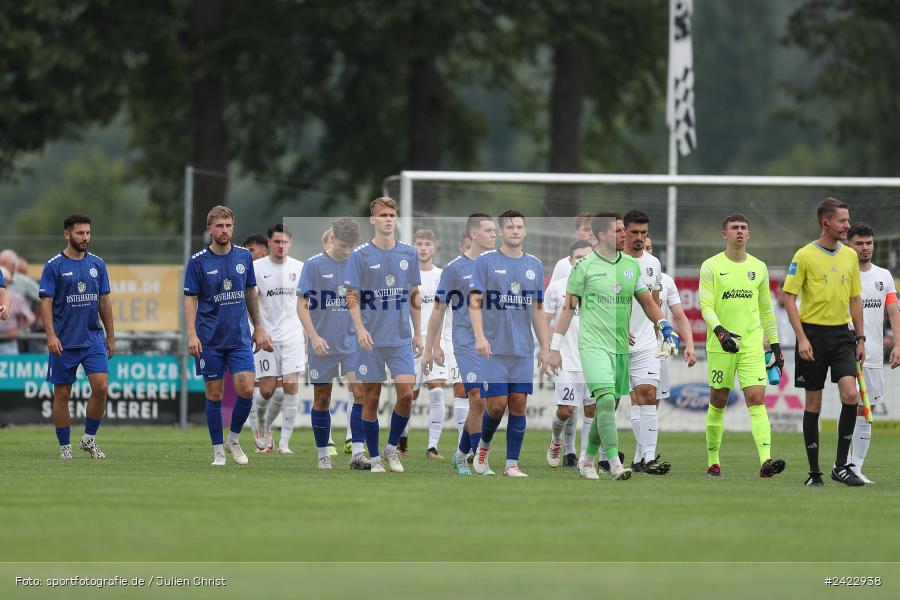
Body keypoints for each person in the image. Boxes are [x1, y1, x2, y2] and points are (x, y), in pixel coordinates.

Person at [549, 213, 678, 481]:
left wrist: (665, 325)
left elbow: (647, 302)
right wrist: (554, 347)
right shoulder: (583, 267)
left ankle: (586, 460)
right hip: (593, 346)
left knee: (607, 406)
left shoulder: (631, 266)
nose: (625, 235)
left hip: (620, 347)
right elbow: (568, 309)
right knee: (606, 400)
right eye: (619, 231)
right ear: (602, 236)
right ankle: (615, 463)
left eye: (624, 230)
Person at [782, 197, 865, 487]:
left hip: (842, 335)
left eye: (848, 219)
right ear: (825, 222)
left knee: (851, 395)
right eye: (843, 220)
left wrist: (861, 337)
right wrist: (802, 338)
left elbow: (856, 299)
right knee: (814, 403)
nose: (848, 225)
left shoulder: (850, 256)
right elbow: (788, 299)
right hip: (812, 336)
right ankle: (814, 473)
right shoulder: (804, 255)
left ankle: (841, 466)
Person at [699, 214, 786, 479]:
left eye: (743, 228)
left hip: (750, 345)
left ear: (749, 235)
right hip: (721, 345)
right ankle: (713, 461)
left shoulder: (759, 267)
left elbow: (766, 311)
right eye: (734, 228)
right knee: (718, 401)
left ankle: (765, 461)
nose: (739, 232)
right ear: (724, 234)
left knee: (757, 400)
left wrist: (776, 345)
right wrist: (720, 331)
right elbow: (706, 306)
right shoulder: (711, 266)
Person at [184, 206, 273, 466]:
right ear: (210, 229)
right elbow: (190, 300)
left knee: (246, 389)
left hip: (239, 337)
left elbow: (250, 293)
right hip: (209, 339)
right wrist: (191, 334)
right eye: (219, 226)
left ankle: (233, 439)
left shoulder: (244, 257)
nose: (225, 230)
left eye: (229, 226)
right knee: (214, 394)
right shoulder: (198, 261)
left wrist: (258, 326)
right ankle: (218, 451)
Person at [469, 210, 551, 477]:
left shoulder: (535, 265)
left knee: (518, 404)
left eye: (519, 226)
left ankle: (511, 464)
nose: (515, 230)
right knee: (496, 405)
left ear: (525, 231)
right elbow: (474, 303)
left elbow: (538, 310)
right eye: (510, 227)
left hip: (523, 349)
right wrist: (480, 337)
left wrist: (545, 347)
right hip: (494, 349)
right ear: (501, 232)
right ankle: (483, 447)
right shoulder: (486, 262)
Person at [345, 197, 422, 474]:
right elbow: (351, 295)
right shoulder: (360, 255)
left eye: (392, 215)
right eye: (383, 215)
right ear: (373, 220)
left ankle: (391, 448)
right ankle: (375, 457)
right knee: (371, 398)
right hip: (371, 341)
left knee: (406, 394)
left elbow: (414, 295)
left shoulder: (409, 254)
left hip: (401, 339)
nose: (389, 219)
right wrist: (360, 329)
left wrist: (418, 333)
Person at [423, 213, 497, 476]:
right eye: (488, 230)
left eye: (494, 230)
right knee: (477, 399)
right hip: (465, 343)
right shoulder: (455, 269)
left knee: (487, 404)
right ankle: (478, 457)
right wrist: (430, 348)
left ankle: (459, 454)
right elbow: (438, 310)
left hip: (494, 345)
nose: (494, 234)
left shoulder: (499, 264)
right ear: (473, 234)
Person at [39, 214, 115, 460]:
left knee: (101, 386)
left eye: (88, 233)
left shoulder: (97, 264)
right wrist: (51, 335)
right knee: (62, 394)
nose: (85, 238)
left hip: (93, 339)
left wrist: (111, 337)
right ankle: (65, 447)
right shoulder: (54, 266)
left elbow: (104, 301)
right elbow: (46, 304)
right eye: (80, 233)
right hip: (64, 341)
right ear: (67, 234)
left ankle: (88, 439)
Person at [299, 218, 368, 470]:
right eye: (342, 245)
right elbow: (302, 306)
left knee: (360, 393)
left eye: (351, 246)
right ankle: (322, 454)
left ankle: (357, 453)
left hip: (352, 343)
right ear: (332, 238)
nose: (346, 251)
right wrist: (314, 336)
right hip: (323, 345)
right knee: (322, 398)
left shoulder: (358, 265)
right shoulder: (314, 265)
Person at [846, 223, 900, 483]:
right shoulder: (844, 275)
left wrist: (898, 344)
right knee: (849, 402)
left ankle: (855, 466)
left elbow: (893, 312)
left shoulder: (884, 276)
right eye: (859, 243)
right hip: (846, 350)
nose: (865, 248)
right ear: (849, 245)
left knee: (867, 408)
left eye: (869, 243)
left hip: (875, 354)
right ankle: (842, 464)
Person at [249, 223, 306, 456]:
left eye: (285, 242)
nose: (281, 246)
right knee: (268, 389)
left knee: (290, 388)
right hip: (267, 337)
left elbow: (306, 303)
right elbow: (250, 300)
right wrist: (257, 329)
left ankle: (284, 444)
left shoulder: (300, 268)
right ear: (269, 243)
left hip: (293, 335)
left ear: (290, 244)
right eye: (277, 242)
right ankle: (260, 424)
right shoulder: (257, 268)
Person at [621, 209, 670, 474]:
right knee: (612, 402)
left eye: (644, 233)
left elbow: (653, 302)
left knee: (647, 395)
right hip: (614, 342)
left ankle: (647, 458)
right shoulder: (613, 262)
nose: (639, 237)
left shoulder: (654, 264)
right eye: (634, 232)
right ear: (624, 232)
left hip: (646, 343)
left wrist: (662, 331)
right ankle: (593, 456)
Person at [407, 229, 458, 460]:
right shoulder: (408, 276)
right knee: (408, 396)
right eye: (419, 244)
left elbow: (444, 312)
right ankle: (402, 441)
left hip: (434, 342)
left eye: (427, 244)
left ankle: (432, 447)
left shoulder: (441, 276)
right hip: (409, 342)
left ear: (434, 248)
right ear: (413, 247)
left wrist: (438, 344)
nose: (423, 248)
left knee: (436, 393)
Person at [644, 237, 696, 460]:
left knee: (651, 402)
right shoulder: (623, 272)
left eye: (650, 247)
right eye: (643, 247)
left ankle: (645, 455)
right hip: (629, 344)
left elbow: (680, 316)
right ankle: (605, 456)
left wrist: (690, 345)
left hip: (660, 349)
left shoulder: (666, 281)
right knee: (619, 401)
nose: (647, 251)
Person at [544, 240, 594, 469]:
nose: (582, 262)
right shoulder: (556, 288)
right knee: (566, 410)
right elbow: (545, 321)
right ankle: (556, 440)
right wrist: (546, 350)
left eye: (587, 258)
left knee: (592, 410)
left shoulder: (601, 287)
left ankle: (584, 457)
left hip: (594, 358)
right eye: (578, 258)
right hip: (565, 358)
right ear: (570, 261)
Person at [549, 213, 596, 282]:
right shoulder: (563, 265)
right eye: (587, 229)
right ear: (577, 234)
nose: (592, 233)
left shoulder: (612, 263)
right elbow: (554, 291)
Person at [0, 267, 35, 354]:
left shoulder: (16, 297)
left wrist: (19, 330)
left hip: (8, 343)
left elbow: (30, 318)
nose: (4, 282)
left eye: (5, 280)